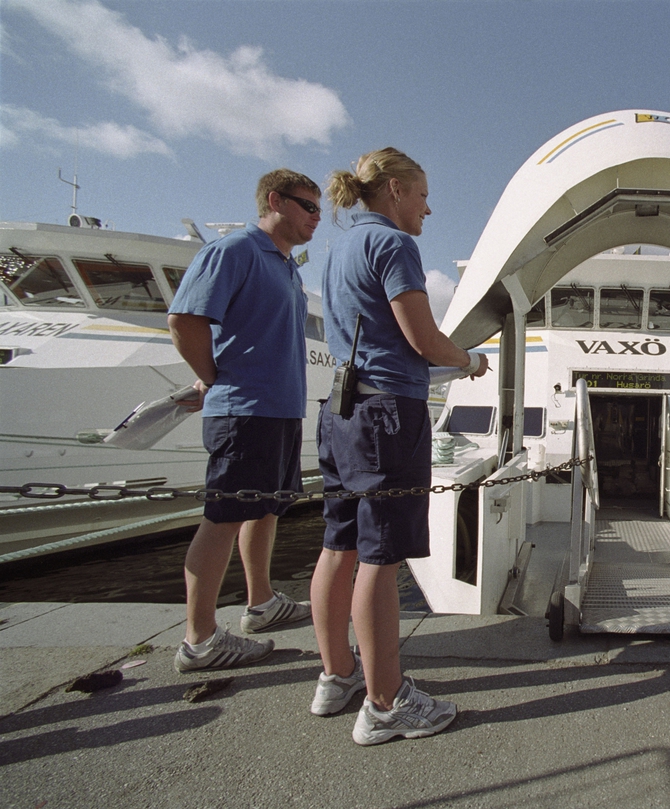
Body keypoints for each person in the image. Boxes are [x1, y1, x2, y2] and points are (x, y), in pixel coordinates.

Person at [311, 147, 489, 745]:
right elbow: (423, 339)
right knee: (380, 557)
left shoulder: (340, 246)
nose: (428, 209)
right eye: (422, 195)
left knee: (338, 544)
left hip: (341, 412)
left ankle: (337, 676)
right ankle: (385, 704)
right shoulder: (392, 245)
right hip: (387, 417)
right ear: (393, 190)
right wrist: (469, 360)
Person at [167, 169, 321, 672]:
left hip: (279, 411)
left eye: (319, 209)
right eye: (308, 206)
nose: (317, 217)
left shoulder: (287, 267)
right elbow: (184, 320)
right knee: (223, 517)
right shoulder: (234, 251)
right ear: (274, 200)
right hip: (244, 410)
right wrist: (212, 378)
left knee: (266, 509)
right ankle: (200, 641)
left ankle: (262, 604)